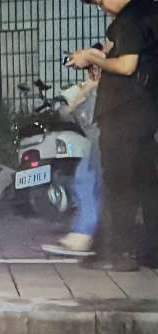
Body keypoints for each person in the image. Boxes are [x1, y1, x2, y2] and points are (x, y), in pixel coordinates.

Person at [67, 0, 158, 271]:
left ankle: (121, 254)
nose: (103, 8)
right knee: (148, 184)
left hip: (123, 113)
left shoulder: (129, 19)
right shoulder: (152, 12)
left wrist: (92, 57)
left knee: (118, 184)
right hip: (147, 112)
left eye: (101, 1)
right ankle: (151, 252)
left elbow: (126, 65)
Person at [44, 67, 102, 258]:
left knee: (87, 180)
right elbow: (66, 112)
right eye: (91, 70)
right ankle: (87, 233)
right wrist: (85, 89)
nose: (92, 73)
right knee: (87, 181)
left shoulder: (109, 90)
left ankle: (85, 234)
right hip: (100, 142)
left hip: (108, 140)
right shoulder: (90, 91)